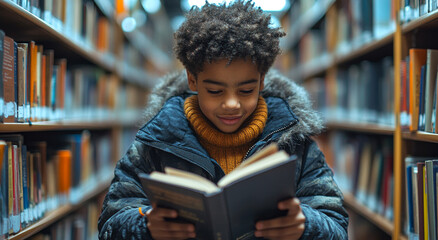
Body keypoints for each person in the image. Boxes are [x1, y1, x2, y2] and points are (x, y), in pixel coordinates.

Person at [98, 1, 348, 239]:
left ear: (262, 80)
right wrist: (146, 226)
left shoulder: (297, 145)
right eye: (215, 91)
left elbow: (336, 227)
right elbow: (110, 224)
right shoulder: (154, 145)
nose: (231, 104)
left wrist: (305, 225)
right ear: (192, 80)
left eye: (246, 90)